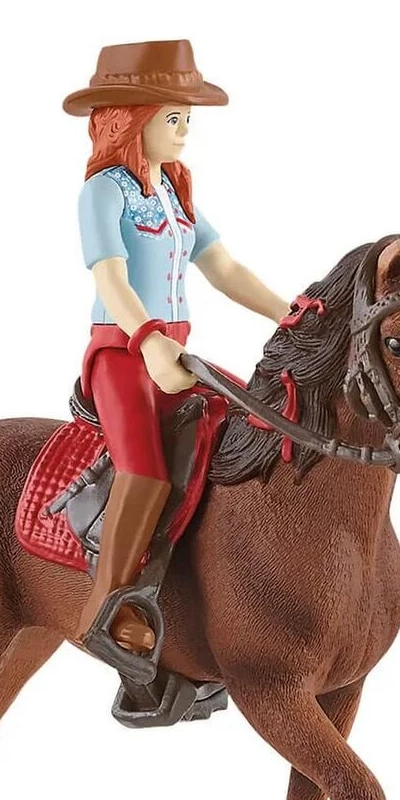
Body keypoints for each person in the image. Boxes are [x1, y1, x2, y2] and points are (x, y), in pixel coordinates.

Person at [64, 40, 288, 656]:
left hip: (175, 354)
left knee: (248, 424)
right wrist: (148, 342)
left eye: (187, 117)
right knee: (144, 470)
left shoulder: (175, 192)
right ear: (131, 120)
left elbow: (223, 268)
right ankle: (106, 608)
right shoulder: (104, 192)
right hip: (122, 354)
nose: (185, 130)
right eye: (173, 117)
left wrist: (288, 311)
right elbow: (110, 277)